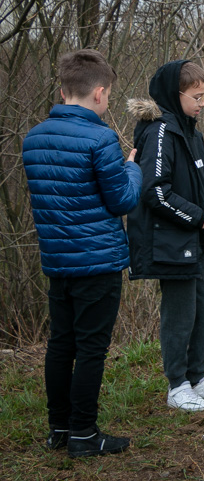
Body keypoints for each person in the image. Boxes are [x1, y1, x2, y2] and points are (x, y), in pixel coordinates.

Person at [22, 49, 142, 457]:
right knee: (91, 347)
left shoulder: (34, 137)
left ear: (62, 90)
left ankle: (59, 430)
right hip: (98, 260)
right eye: (108, 96)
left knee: (61, 344)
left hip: (57, 260)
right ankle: (85, 435)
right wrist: (133, 167)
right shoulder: (101, 137)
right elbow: (123, 199)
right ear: (99, 93)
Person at [126, 60, 204, 411]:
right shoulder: (160, 132)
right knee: (180, 313)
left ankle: (197, 378)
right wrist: (199, 219)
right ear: (176, 96)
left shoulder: (192, 131)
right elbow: (154, 192)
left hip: (195, 242)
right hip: (171, 241)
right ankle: (177, 386)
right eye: (197, 96)